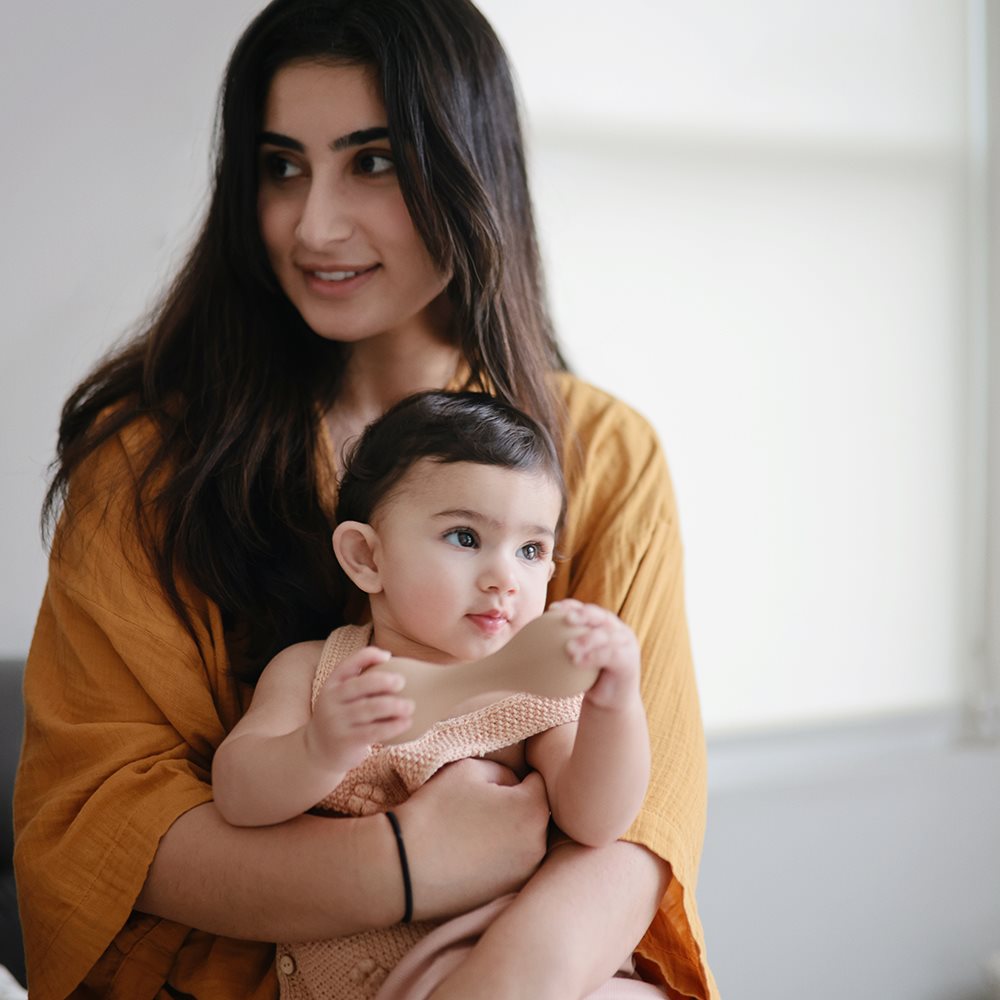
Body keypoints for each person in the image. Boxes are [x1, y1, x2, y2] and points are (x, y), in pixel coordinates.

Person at [13, 1, 717, 998]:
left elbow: (639, 830)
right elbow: (101, 821)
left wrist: (494, 984)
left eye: (373, 161)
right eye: (281, 166)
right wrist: (405, 861)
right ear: (362, 552)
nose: (314, 225)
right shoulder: (148, 461)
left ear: (471, 173)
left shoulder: (605, 454)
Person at [211, 389, 653, 997]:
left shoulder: (534, 694)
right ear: (367, 558)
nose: (504, 578)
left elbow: (597, 821)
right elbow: (237, 795)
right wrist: (318, 748)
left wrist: (616, 705)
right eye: (465, 537)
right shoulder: (314, 671)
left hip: (497, 963)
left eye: (531, 550)